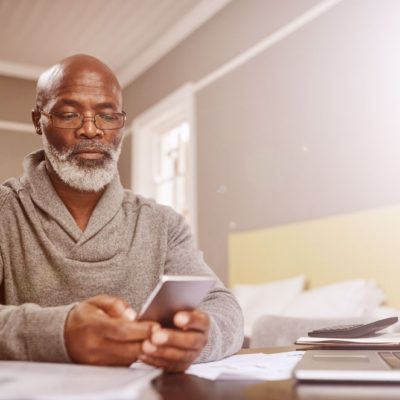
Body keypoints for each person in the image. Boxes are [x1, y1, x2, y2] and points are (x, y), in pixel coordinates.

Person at [0, 54, 243, 371]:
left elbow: (224, 306)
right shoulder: (6, 211)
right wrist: (59, 333)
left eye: (108, 116)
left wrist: (201, 337)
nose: (91, 130)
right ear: (38, 122)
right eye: (70, 114)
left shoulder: (163, 223)